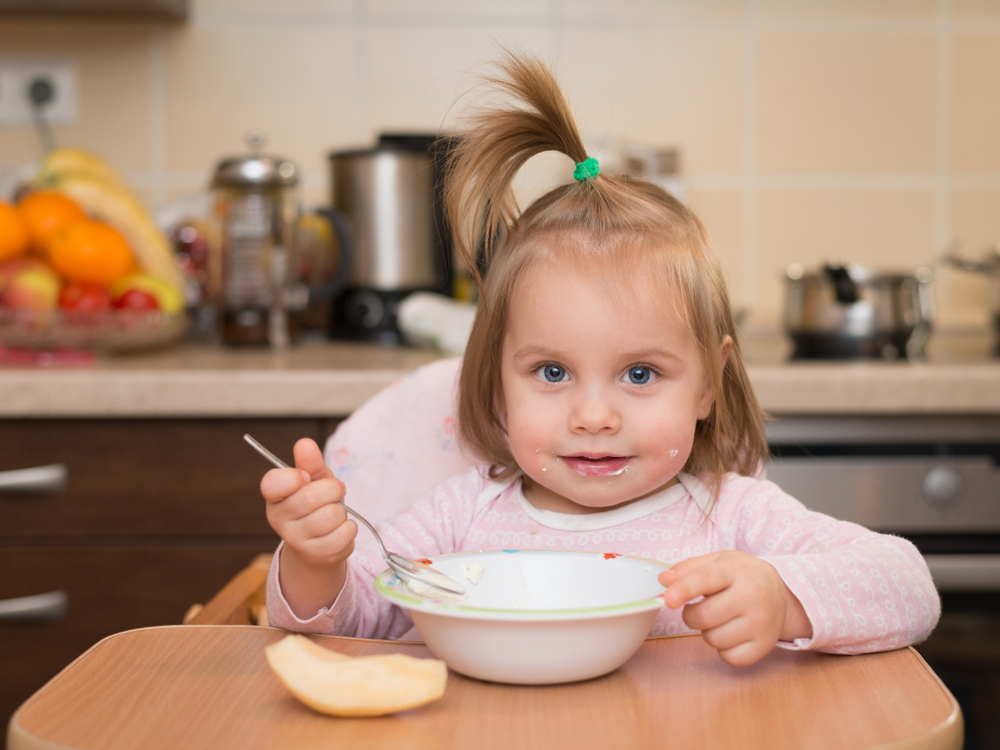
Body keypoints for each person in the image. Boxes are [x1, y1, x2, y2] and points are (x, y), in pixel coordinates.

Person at [260, 51, 939, 667]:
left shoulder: (732, 516)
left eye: (640, 374)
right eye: (551, 373)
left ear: (709, 384)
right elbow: (349, 625)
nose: (592, 416)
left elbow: (907, 584)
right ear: (498, 381)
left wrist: (782, 595)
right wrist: (316, 561)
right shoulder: (458, 518)